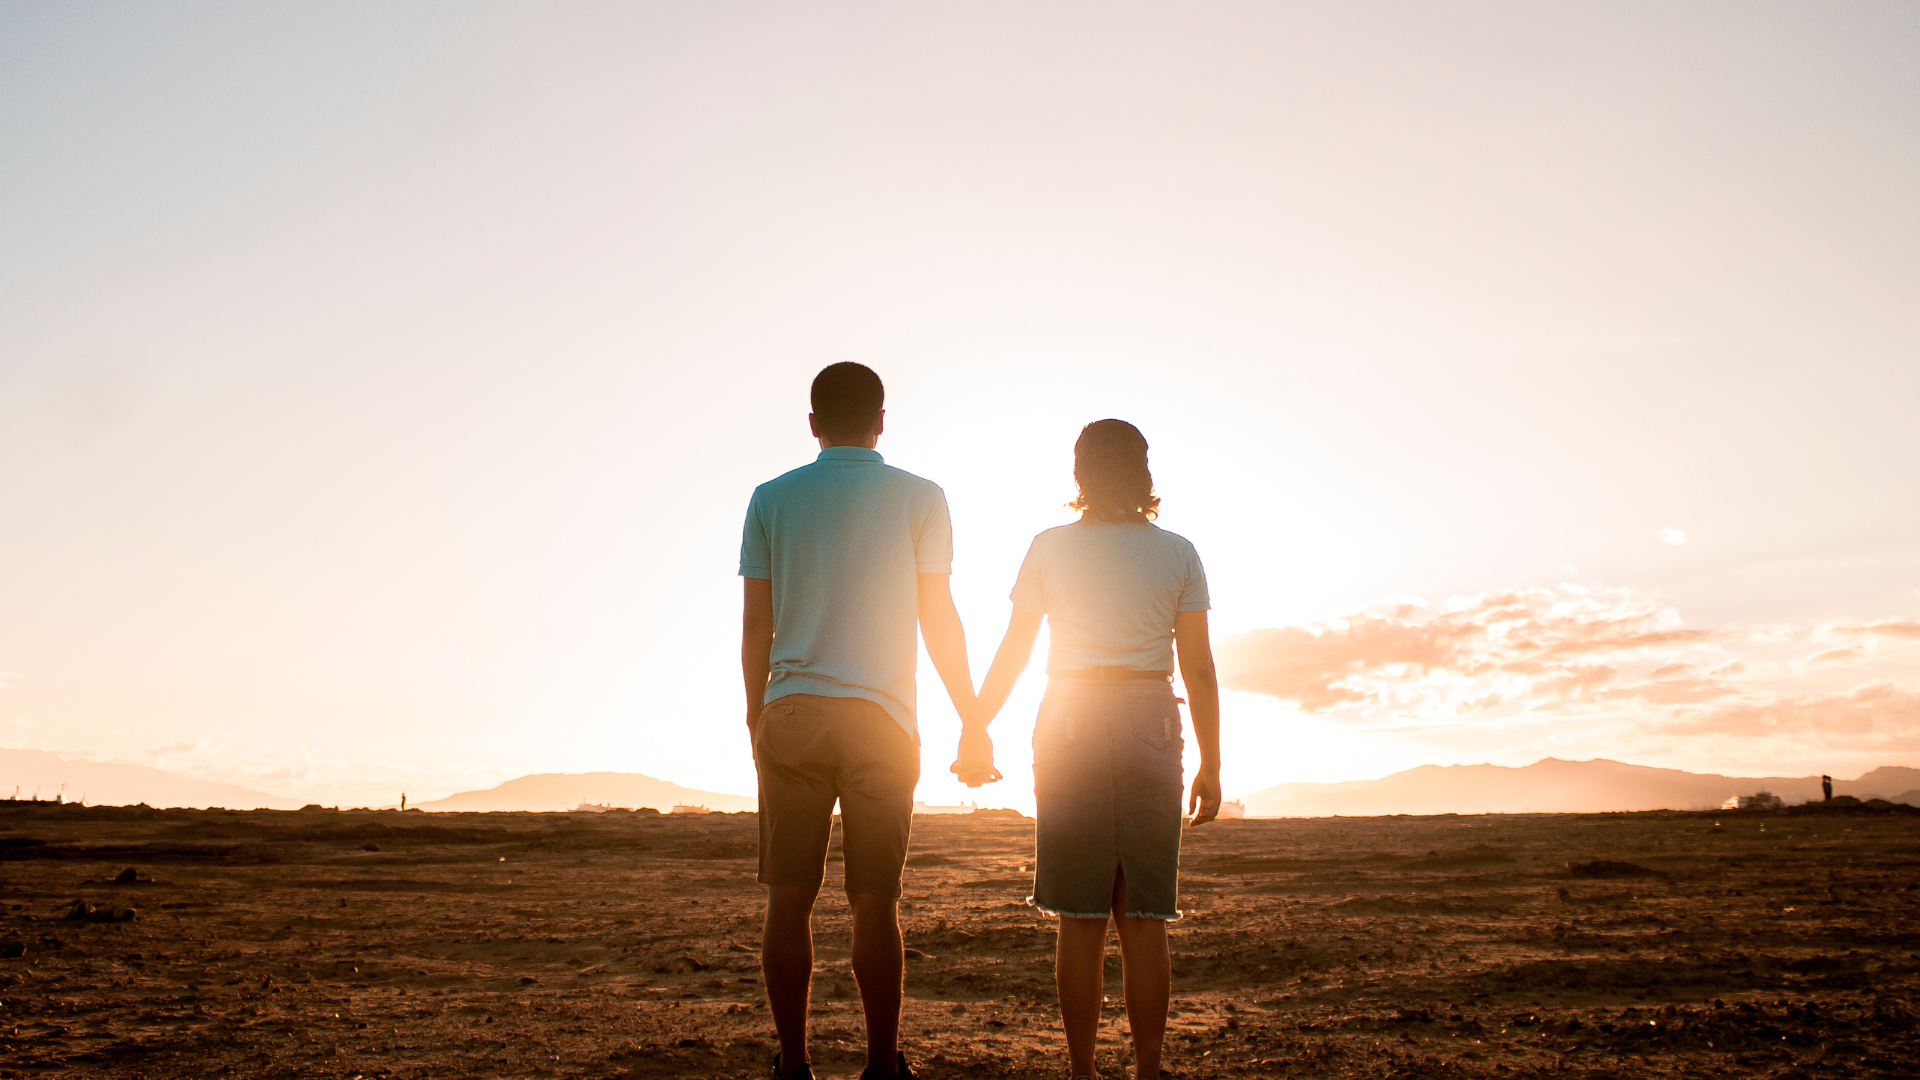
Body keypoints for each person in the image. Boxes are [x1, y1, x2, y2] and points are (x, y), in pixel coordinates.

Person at [955, 419, 1222, 1080]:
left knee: (1078, 917)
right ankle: (1149, 1070)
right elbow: (1199, 670)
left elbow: (1016, 651)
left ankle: (1081, 1071)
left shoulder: (1048, 548)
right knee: (1144, 914)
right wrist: (1213, 763)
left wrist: (975, 723)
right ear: (1143, 473)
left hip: (1070, 714)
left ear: (1079, 475)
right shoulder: (1179, 553)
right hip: (1148, 719)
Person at [740, 362, 978, 1080]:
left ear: (813, 424)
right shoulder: (921, 498)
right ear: (881, 421)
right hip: (883, 718)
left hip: (795, 711)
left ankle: (796, 1067)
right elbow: (937, 617)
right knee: (876, 903)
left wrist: (757, 717)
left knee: (789, 899)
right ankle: (881, 1067)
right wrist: (972, 716)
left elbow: (757, 626)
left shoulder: (771, 499)